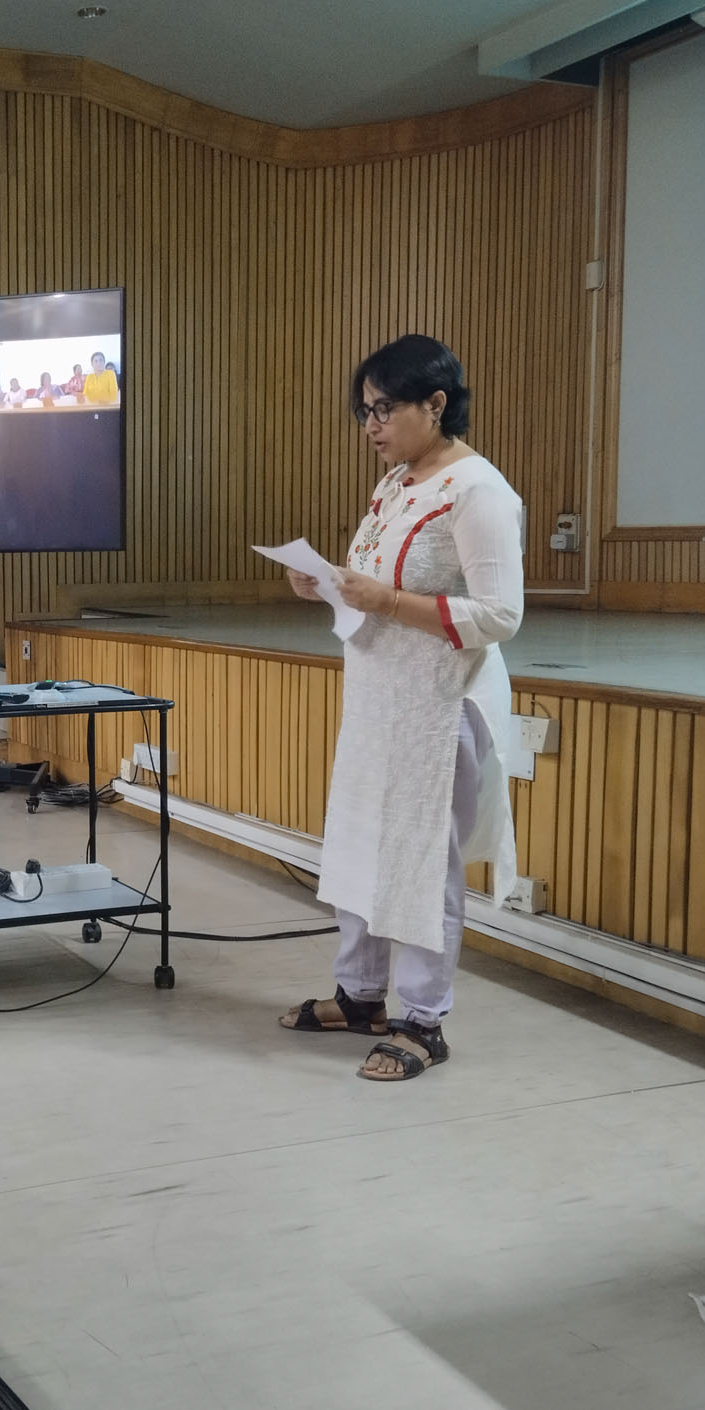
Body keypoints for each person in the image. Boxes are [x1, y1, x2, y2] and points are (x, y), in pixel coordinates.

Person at [278, 334, 522, 1081]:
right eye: (364, 411)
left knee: (419, 861)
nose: (371, 426)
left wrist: (385, 600)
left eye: (384, 409)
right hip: (378, 696)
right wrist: (325, 581)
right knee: (358, 843)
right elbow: (376, 580)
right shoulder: (395, 482)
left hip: (439, 706)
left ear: (436, 403)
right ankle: (360, 996)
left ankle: (423, 1019)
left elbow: (501, 614)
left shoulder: (478, 490)